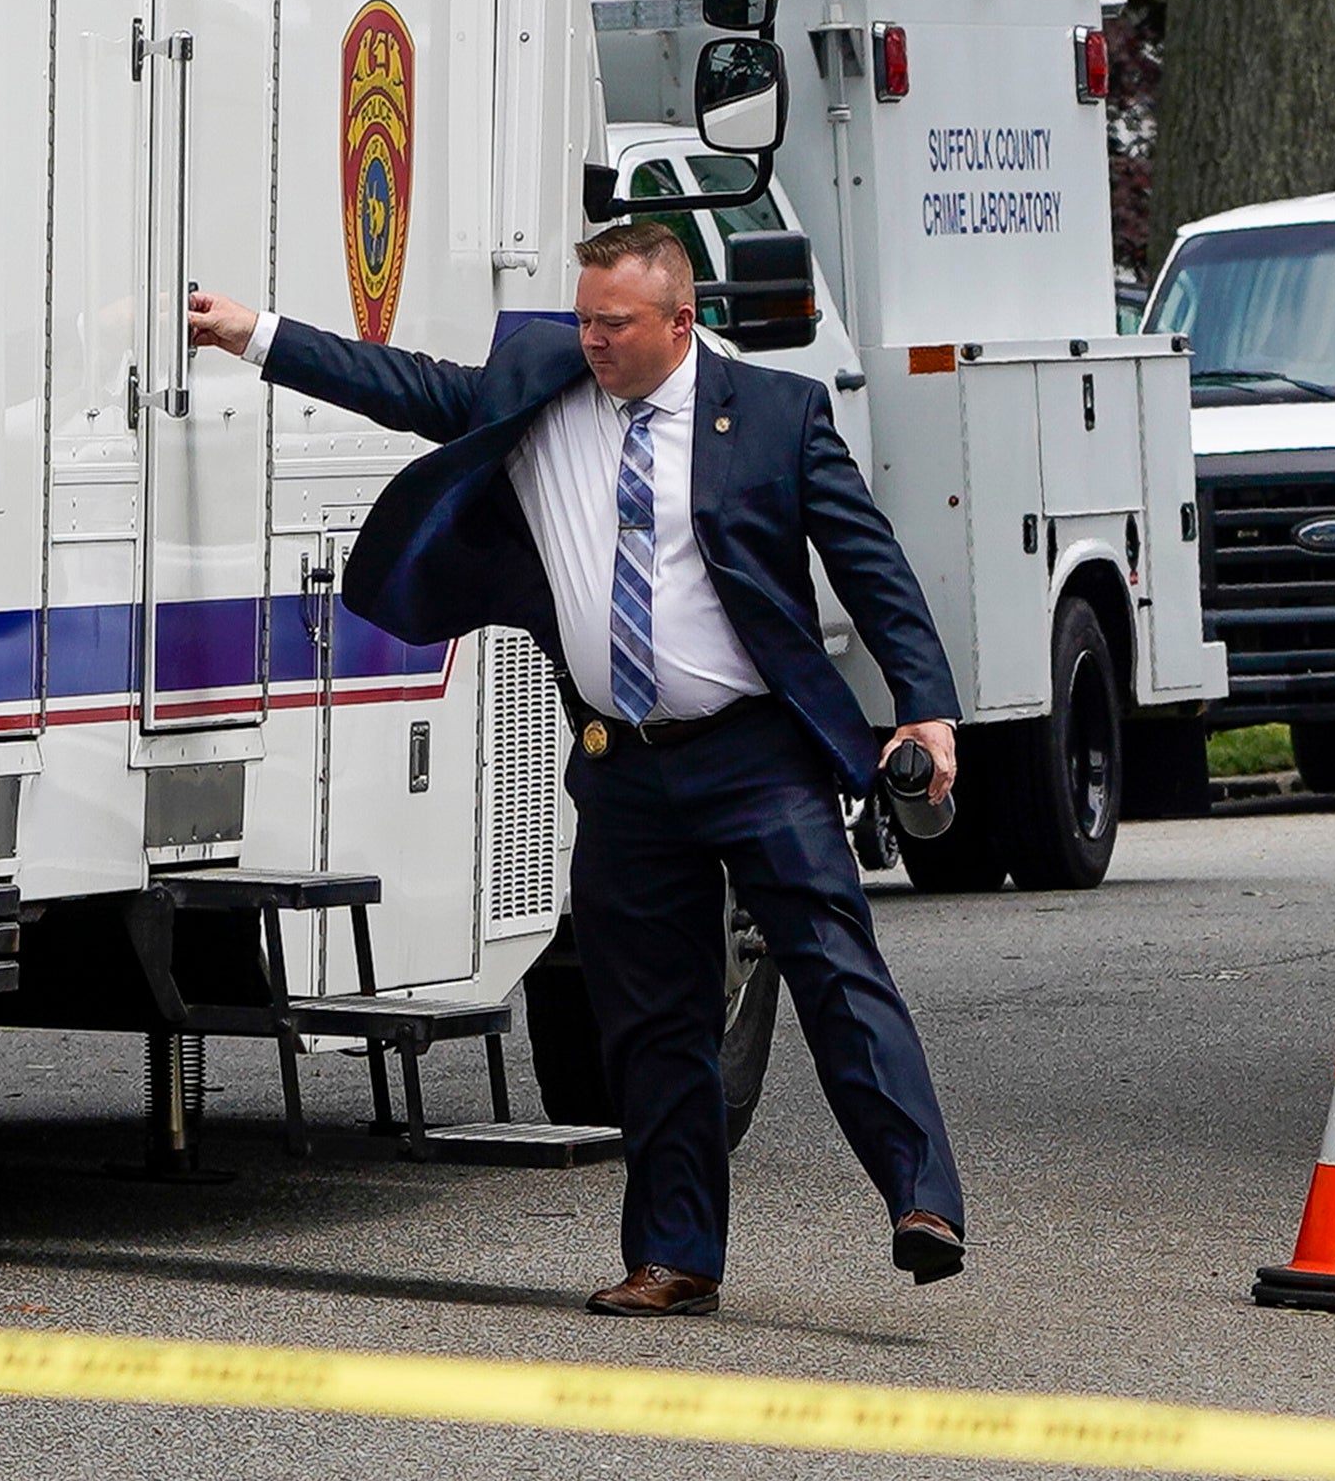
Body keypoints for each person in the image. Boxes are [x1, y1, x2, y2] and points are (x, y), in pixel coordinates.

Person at [185, 220, 967, 1316]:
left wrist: (924, 711)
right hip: (623, 760)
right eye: (584, 316)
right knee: (651, 1020)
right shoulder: (541, 391)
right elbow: (399, 383)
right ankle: (675, 1253)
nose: (591, 339)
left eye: (616, 322)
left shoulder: (778, 417)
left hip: (756, 750)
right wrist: (254, 334)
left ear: (680, 322)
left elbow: (870, 564)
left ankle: (921, 1199)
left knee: (836, 968)